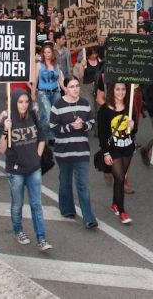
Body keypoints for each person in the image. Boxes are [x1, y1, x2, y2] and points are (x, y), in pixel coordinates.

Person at [0, 89, 52, 251]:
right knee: (17, 204)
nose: (24, 105)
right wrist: (6, 131)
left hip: (33, 168)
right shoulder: (8, 120)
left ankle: (41, 238)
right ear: (14, 103)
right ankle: (18, 231)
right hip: (15, 171)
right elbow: (1, 149)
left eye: (26, 101)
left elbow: (42, 137)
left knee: (36, 204)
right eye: (20, 102)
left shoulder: (33, 116)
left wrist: (37, 156)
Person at [50, 77, 98, 228]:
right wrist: (71, 127)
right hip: (63, 151)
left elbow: (91, 122)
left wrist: (83, 126)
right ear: (65, 88)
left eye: (77, 86)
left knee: (83, 184)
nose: (76, 89)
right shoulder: (57, 105)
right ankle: (67, 209)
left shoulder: (84, 103)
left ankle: (89, 218)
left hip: (82, 150)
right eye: (72, 86)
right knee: (65, 181)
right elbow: (54, 127)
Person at [98, 82, 136, 224]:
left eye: (123, 89)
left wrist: (133, 126)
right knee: (120, 179)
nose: (121, 92)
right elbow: (102, 134)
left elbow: (134, 130)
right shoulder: (104, 110)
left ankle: (115, 203)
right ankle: (122, 211)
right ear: (112, 90)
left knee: (119, 178)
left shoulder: (130, 107)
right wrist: (106, 153)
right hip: (113, 149)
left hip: (127, 148)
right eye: (117, 89)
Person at [35, 44, 65, 143]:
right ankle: (42, 135)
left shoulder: (56, 65)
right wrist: (32, 92)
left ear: (52, 53)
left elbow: (60, 80)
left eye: (49, 52)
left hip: (55, 92)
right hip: (43, 93)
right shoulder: (39, 65)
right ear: (43, 54)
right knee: (48, 115)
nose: (47, 54)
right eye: (45, 52)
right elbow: (35, 80)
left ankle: (51, 136)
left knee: (54, 115)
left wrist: (65, 89)